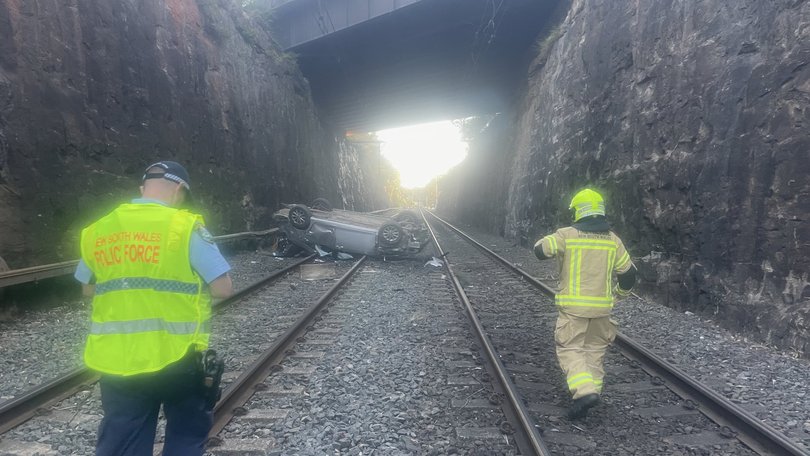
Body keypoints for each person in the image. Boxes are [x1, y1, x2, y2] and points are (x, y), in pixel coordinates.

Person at [74, 160, 233, 455]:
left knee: (123, 441)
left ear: (141, 189)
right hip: (178, 354)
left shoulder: (99, 230)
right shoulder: (184, 227)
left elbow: (87, 289)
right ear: (180, 191)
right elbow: (222, 289)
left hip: (118, 358)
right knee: (185, 437)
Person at [533, 188, 636, 419]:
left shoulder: (567, 235)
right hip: (602, 311)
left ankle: (585, 391)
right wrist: (621, 293)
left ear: (579, 211)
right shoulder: (613, 240)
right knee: (594, 351)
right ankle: (591, 395)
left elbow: (540, 251)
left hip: (574, 311)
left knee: (570, 349)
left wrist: (547, 240)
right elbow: (629, 274)